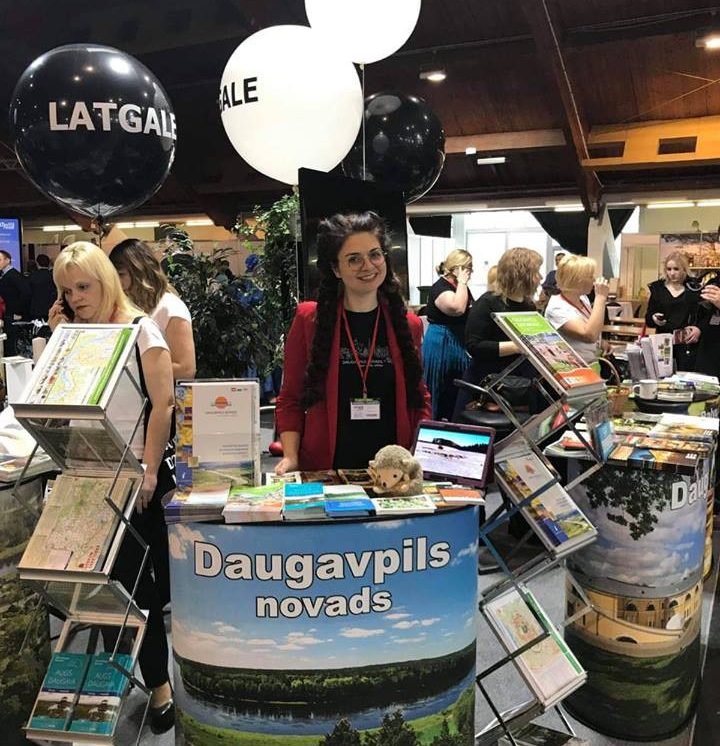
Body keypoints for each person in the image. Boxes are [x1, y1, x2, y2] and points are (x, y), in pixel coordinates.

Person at [48, 242, 176, 734]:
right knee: (98, 591)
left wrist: (148, 470)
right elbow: (61, 402)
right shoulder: (76, 333)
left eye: (83, 286)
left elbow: (163, 405)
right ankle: (107, 689)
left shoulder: (141, 329)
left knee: (137, 591)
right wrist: (58, 342)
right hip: (87, 474)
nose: (76, 298)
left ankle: (159, 686)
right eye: (67, 290)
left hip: (135, 479)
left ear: (105, 280)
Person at [275, 211, 431, 473]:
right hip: (327, 469)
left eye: (375, 255)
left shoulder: (408, 324)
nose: (368, 266)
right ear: (336, 269)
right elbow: (290, 397)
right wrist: (291, 456)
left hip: (392, 471)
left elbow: (419, 398)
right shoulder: (309, 319)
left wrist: (421, 453)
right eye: (354, 259)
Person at [454, 247, 543, 419]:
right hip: (489, 384)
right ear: (521, 275)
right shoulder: (487, 303)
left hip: (521, 384)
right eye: (536, 272)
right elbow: (474, 346)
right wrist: (518, 346)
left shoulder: (529, 306)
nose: (540, 277)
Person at [109, 238, 196, 380]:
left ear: (139, 271)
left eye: (121, 274)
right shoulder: (125, 307)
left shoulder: (170, 307)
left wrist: (134, 369)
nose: (116, 282)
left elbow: (185, 369)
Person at [422, 249, 474, 420]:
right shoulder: (441, 287)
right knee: (439, 390)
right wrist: (462, 282)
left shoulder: (458, 287)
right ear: (457, 268)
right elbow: (457, 308)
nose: (470, 273)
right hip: (442, 343)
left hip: (456, 342)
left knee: (455, 393)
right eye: (468, 268)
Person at [544, 255, 609, 367]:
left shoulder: (583, 298)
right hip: (571, 367)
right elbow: (589, 335)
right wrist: (600, 298)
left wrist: (600, 342)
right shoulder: (557, 307)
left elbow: (591, 327)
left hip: (590, 363)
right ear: (577, 280)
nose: (594, 280)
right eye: (590, 276)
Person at [645, 251, 700, 371]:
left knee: (685, 375)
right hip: (662, 341)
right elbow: (648, 317)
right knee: (662, 374)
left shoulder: (693, 289)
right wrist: (654, 318)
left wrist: (698, 329)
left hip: (686, 343)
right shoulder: (658, 289)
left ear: (684, 269)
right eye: (669, 269)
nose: (672, 273)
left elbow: (701, 316)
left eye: (676, 269)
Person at [0, 249, 30, 354]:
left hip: (13, 314)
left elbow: (26, 293)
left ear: (7, 260)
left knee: (12, 343)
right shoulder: (5, 275)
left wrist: (18, 311)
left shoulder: (14, 275)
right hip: (8, 313)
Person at [29, 253, 57, 321]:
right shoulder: (53, 276)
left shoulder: (32, 276)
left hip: (36, 309)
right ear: (49, 263)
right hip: (52, 308)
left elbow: (28, 292)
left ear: (37, 264)